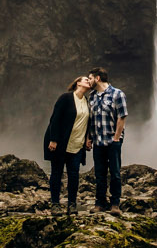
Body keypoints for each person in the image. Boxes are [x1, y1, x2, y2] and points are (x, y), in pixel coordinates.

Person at [43, 74, 95, 212]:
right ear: (78, 83)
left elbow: (87, 123)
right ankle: (55, 204)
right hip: (61, 144)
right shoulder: (66, 98)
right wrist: (53, 140)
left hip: (77, 145)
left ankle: (71, 204)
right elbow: (55, 119)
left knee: (74, 175)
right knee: (56, 173)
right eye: (86, 80)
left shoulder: (87, 101)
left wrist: (88, 139)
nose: (89, 82)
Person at [86, 66, 128, 212]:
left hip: (113, 140)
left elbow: (121, 117)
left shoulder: (117, 94)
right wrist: (89, 138)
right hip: (98, 141)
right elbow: (90, 120)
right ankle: (100, 203)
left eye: (90, 78)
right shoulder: (91, 96)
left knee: (115, 173)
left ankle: (115, 203)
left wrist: (116, 138)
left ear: (98, 78)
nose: (88, 81)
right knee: (99, 174)